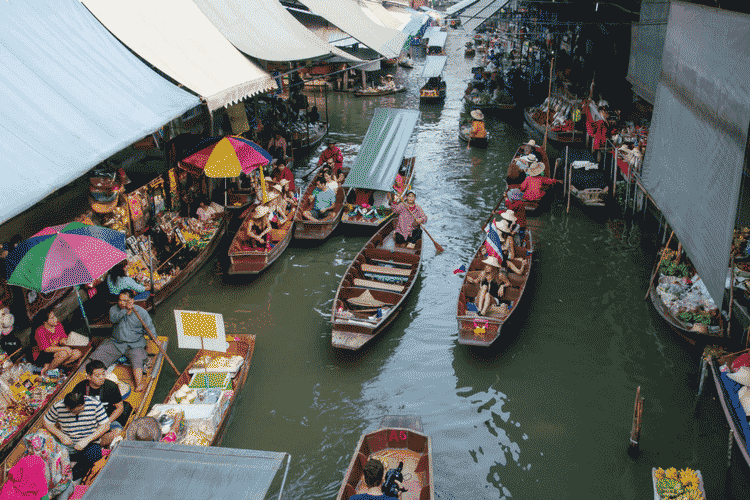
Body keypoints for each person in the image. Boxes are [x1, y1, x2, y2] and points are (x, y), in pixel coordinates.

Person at [88, 290, 154, 393]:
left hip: (135, 344)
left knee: (137, 359)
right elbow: (114, 319)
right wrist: (125, 311)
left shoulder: (141, 311)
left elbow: (149, 326)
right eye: (120, 300)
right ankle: (96, 380)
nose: (122, 303)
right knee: (98, 356)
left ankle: (139, 383)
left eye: (125, 300)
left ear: (132, 300)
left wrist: (154, 338)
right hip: (116, 343)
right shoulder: (114, 309)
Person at [43, 391, 109, 483]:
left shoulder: (95, 404)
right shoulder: (58, 406)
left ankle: (68, 479)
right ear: (67, 407)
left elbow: (105, 425)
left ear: (83, 404)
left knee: (94, 454)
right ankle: (54, 478)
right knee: (52, 457)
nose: (76, 413)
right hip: (67, 445)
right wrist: (61, 435)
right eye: (73, 411)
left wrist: (86, 440)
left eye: (79, 410)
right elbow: (47, 422)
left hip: (89, 443)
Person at [72, 360, 128, 448]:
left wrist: (107, 422)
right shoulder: (80, 387)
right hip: (87, 419)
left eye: (103, 374)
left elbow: (120, 407)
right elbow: (73, 407)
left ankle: (92, 444)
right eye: (97, 376)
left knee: (117, 432)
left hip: (107, 418)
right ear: (89, 377)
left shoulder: (111, 386)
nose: (102, 377)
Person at [33, 308, 82, 377]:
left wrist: (64, 341)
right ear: (45, 321)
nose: (55, 319)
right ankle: (48, 372)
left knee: (77, 353)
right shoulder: (40, 331)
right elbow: (46, 349)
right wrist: (64, 349)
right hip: (44, 355)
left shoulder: (57, 325)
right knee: (64, 353)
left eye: (55, 316)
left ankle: (56, 367)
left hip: (56, 352)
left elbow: (62, 338)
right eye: (52, 318)